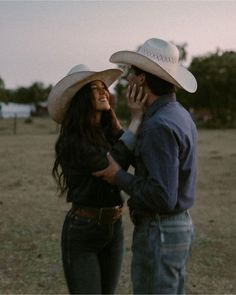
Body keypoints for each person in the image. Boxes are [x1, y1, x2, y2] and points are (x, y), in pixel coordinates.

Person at [93, 38, 198, 294]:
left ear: (142, 80)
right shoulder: (178, 113)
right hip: (174, 228)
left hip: (160, 230)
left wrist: (118, 176)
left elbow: (162, 195)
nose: (127, 79)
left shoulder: (158, 126)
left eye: (131, 73)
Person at [47, 64, 147, 294]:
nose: (104, 91)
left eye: (104, 87)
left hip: (115, 226)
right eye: (95, 87)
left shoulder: (108, 130)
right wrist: (136, 119)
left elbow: (134, 152)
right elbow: (114, 164)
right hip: (84, 230)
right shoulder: (73, 141)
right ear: (81, 97)